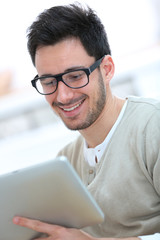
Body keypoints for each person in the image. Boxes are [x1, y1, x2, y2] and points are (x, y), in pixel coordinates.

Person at [13, 3, 160, 240]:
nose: (63, 96)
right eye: (49, 82)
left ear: (107, 69)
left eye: (75, 76)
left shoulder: (152, 128)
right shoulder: (65, 164)